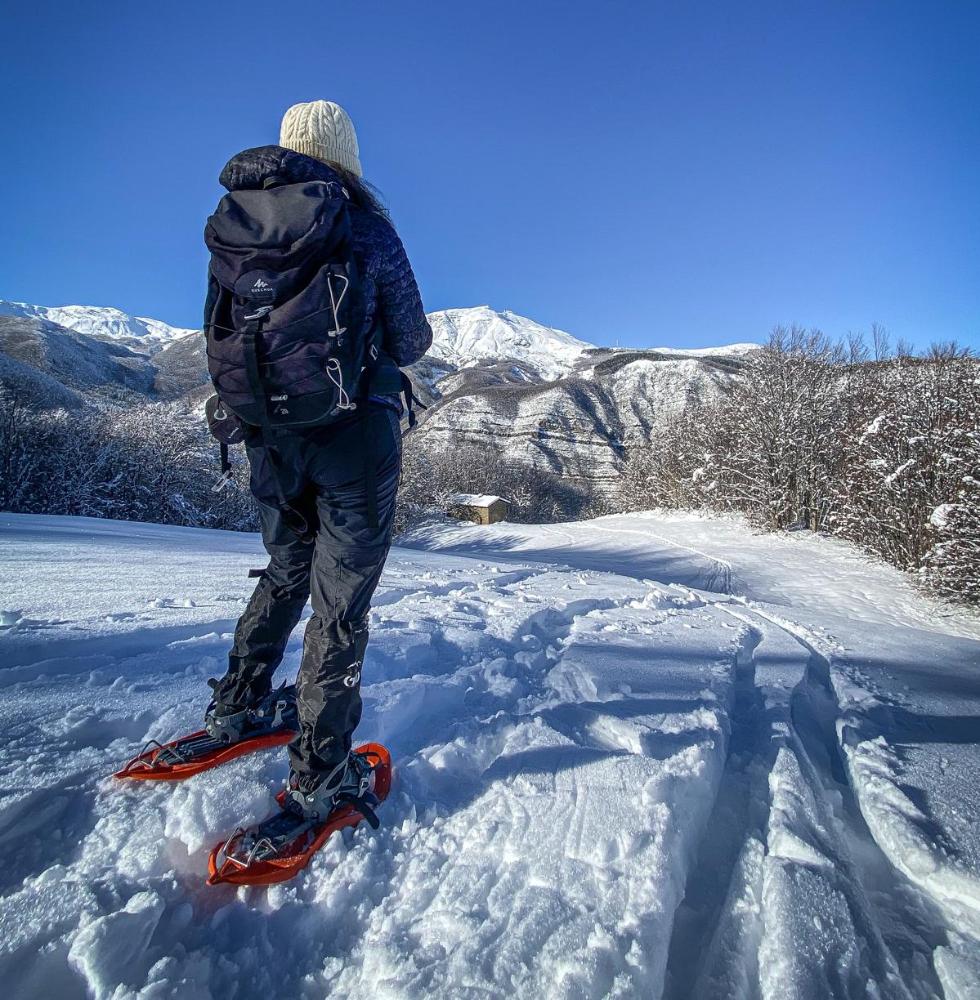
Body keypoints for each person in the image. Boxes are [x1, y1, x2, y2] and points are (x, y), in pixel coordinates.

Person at [203, 100, 431, 819]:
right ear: (349, 155)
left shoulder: (238, 227)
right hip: (354, 441)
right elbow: (413, 339)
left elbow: (219, 332)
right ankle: (321, 768)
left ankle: (236, 706)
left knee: (286, 570)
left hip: (270, 437)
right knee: (341, 601)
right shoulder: (364, 226)